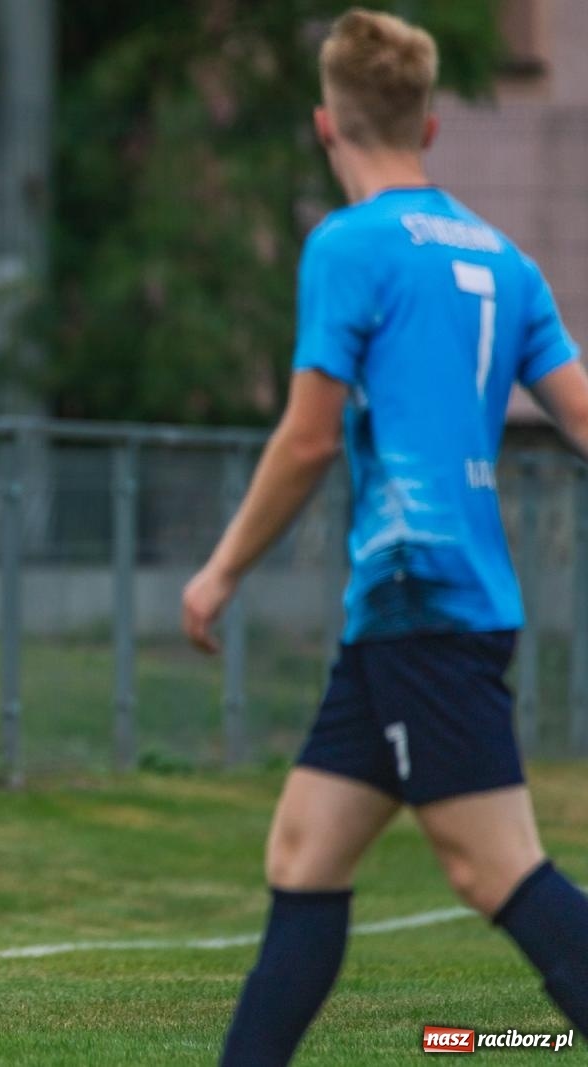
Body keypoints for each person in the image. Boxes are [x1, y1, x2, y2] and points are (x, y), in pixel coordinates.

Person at [181, 9, 588, 1065]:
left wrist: (220, 569)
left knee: (494, 867)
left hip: (421, 594)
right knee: (304, 850)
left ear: (325, 123)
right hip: (415, 610)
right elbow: (583, 415)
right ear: (431, 125)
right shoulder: (504, 258)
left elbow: (308, 438)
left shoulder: (348, 245)